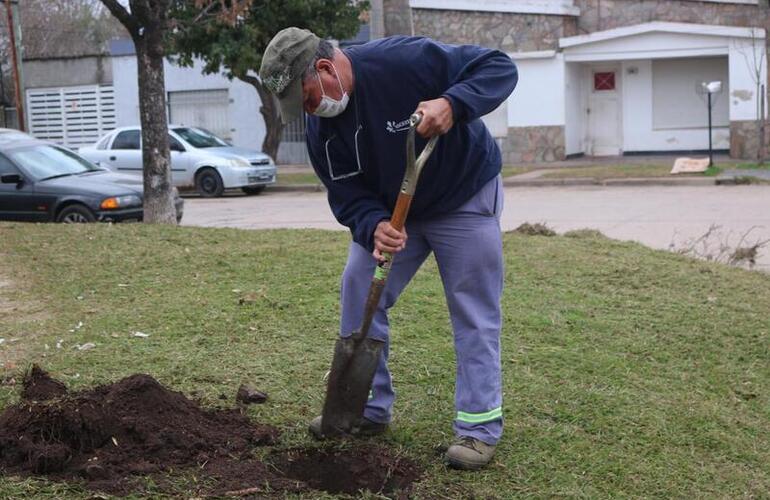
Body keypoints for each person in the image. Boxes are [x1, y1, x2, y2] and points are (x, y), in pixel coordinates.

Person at [260, 27, 517, 470]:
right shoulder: (322, 133)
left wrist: (453, 103)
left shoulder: (404, 60)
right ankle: (367, 410)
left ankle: (477, 429)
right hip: (396, 216)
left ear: (325, 69)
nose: (310, 112)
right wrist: (372, 225)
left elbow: (498, 67)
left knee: (473, 308)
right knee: (359, 285)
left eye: (307, 98)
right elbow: (345, 195)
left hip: (462, 194)